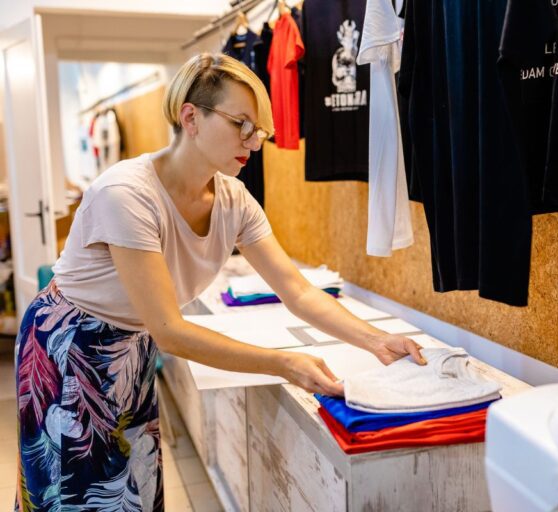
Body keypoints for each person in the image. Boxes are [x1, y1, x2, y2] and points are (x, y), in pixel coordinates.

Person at [15, 52, 424, 511]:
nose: (253, 141)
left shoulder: (233, 198)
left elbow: (299, 291)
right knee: (77, 495)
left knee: (133, 487)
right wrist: (284, 363)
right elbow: (170, 330)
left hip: (133, 342)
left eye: (260, 130)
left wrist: (376, 340)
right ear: (191, 117)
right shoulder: (126, 194)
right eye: (240, 124)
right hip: (70, 346)